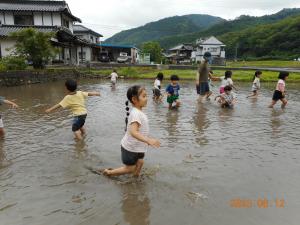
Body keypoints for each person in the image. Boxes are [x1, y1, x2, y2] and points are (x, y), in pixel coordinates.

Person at [102, 85, 160, 177]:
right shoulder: (136, 114)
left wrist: (147, 140)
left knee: (140, 162)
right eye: (144, 96)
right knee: (130, 168)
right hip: (130, 148)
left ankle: (135, 178)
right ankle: (108, 173)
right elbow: (133, 132)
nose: (147, 98)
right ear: (134, 99)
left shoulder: (139, 112)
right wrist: (148, 140)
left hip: (138, 147)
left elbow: (141, 130)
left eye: (146, 96)